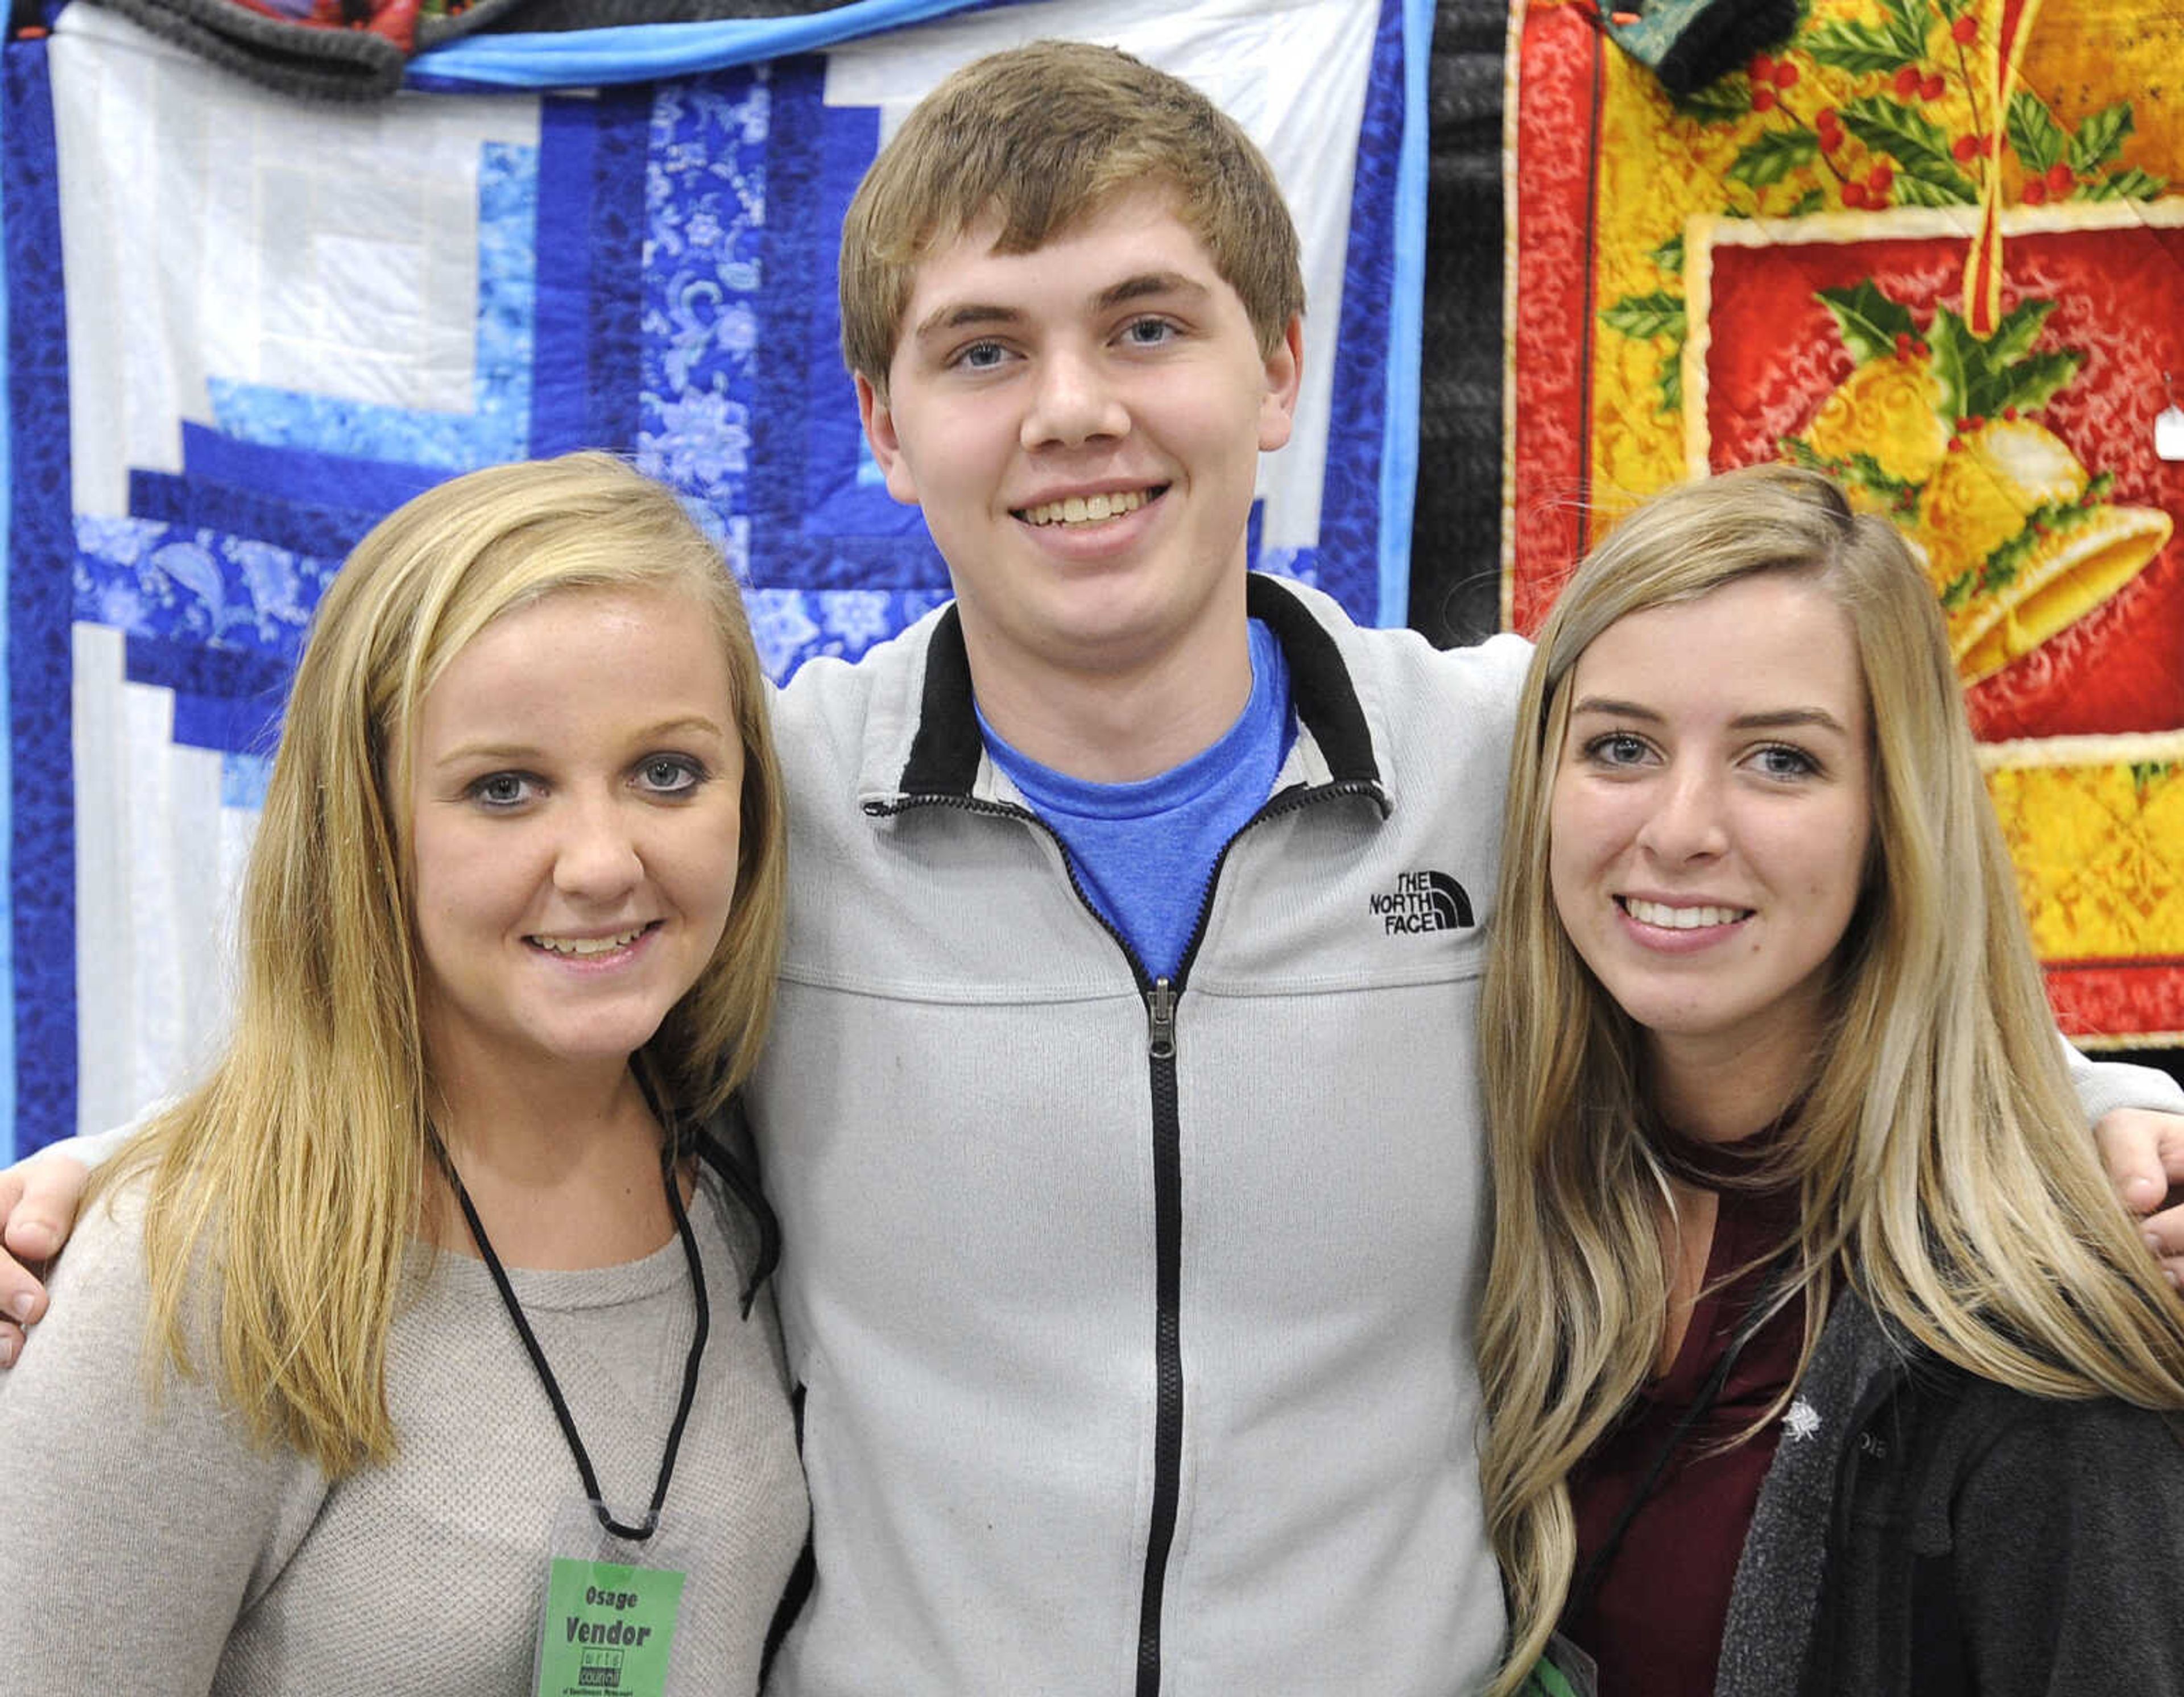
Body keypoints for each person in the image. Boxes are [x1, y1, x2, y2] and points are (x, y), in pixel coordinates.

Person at [3, 45, 2181, 1697]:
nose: (1073, 409)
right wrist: (116, 1180)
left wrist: (2114, 1114)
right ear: (883, 424)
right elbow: (474, 975)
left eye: (1145, 325)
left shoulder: (1509, 764)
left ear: (1279, 368)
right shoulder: (757, 804)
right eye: (984, 350)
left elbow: (1822, 911)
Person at [0, 453, 808, 1691]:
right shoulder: (190, 1282)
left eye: (667, 772)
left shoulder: (766, 1167)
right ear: (364, 824)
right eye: (505, 787)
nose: (600, 861)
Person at [1476, 464, 2184, 1697]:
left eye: (1781, 762)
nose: (1682, 826)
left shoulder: (2044, 1365)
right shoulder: (1478, 1186)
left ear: (1891, 820)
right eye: (1622, 745)